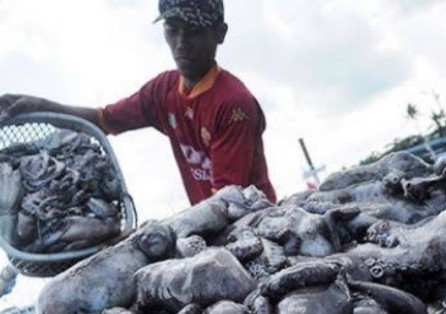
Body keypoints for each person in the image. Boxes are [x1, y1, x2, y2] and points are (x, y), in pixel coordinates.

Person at [0, 0, 277, 205]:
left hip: (251, 224)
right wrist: (37, 106)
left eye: (193, 31)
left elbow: (228, 203)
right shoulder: (163, 91)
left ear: (220, 33)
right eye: (172, 28)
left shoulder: (233, 105)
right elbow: (102, 120)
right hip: (210, 224)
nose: (181, 42)